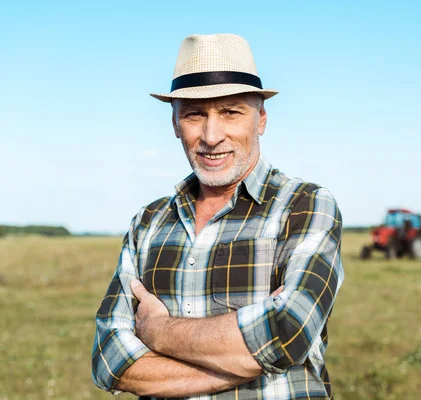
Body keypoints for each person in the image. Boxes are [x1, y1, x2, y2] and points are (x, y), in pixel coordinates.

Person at [91, 33, 344, 400]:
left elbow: (289, 332)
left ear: (261, 120)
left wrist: (158, 331)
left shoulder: (304, 205)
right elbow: (108, 360)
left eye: (231, 111)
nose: (211, 136)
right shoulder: (147, 222)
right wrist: (248, 356)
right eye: (195, 114)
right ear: (175, 123)